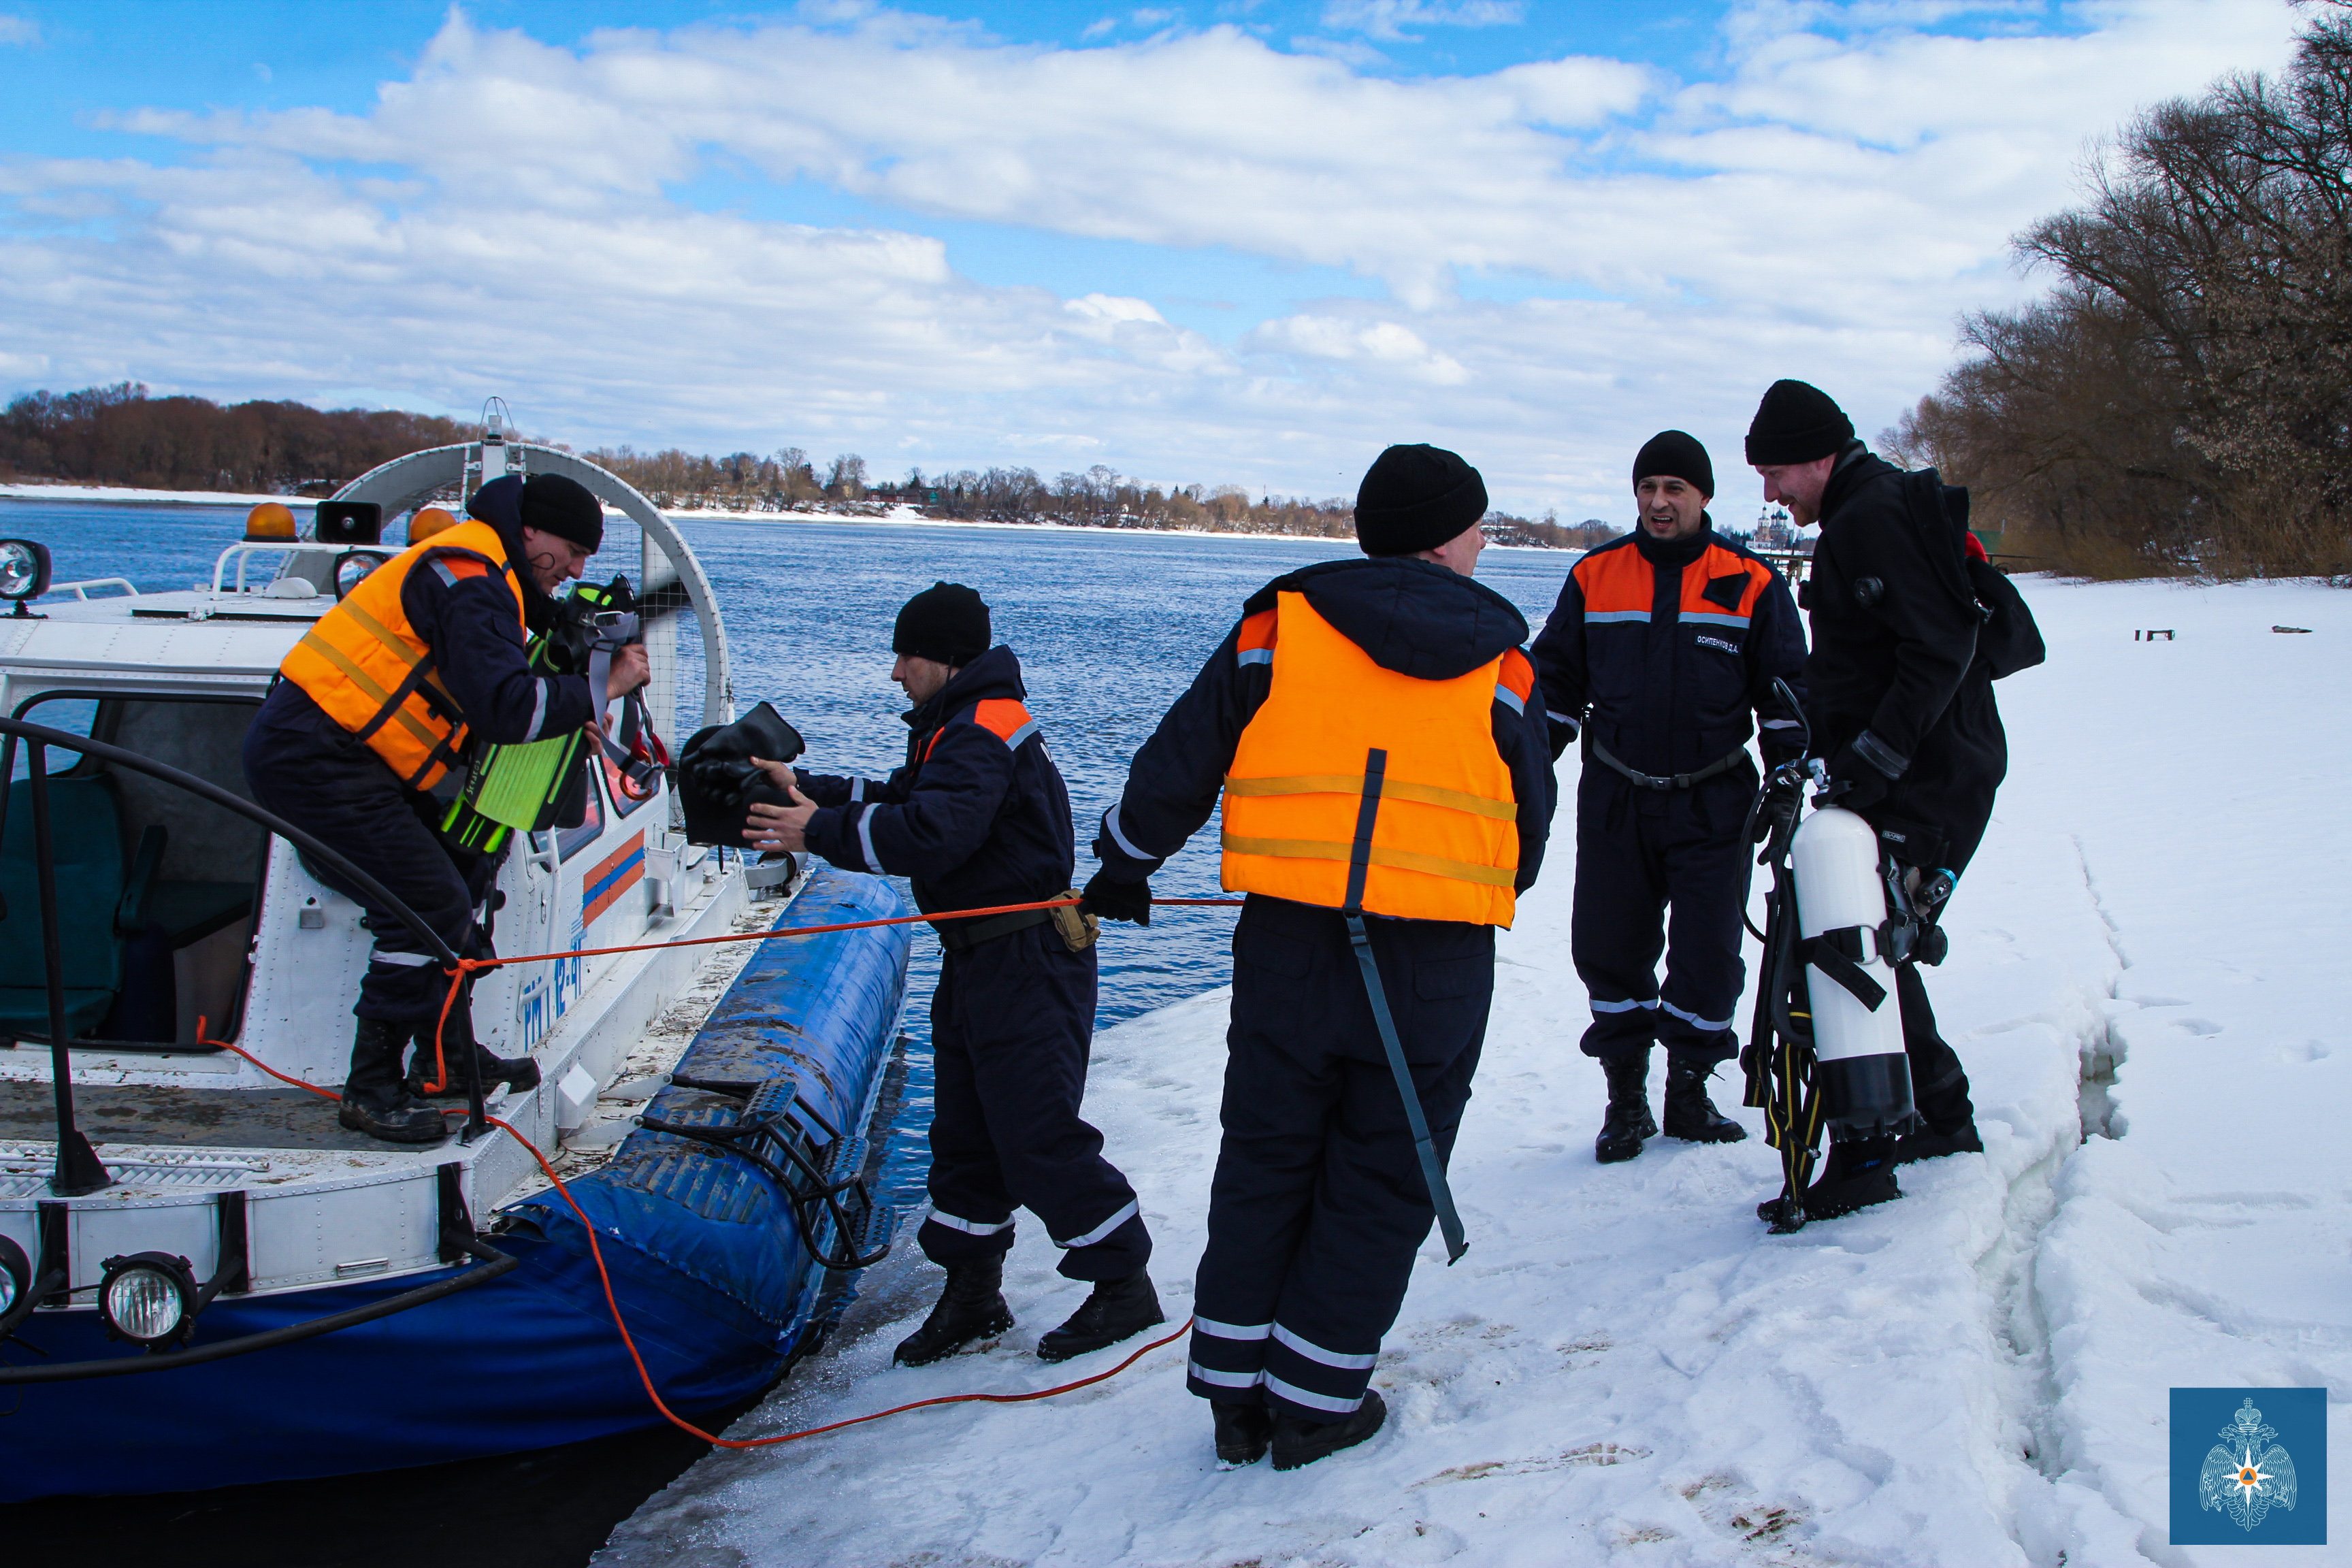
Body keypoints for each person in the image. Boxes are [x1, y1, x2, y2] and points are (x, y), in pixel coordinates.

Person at [1081, 445, 1555, 1472]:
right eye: (1478, 526)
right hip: (1433, 962)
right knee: (1383, 1175)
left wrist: (1123, 862)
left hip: (1290, 945)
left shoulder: (1279, 624)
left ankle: (1236, 1399)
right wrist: (1463, 886)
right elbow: (1529, 822)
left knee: (1267, 1159)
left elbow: (1184, 753)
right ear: (1445, 537)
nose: (1485, 543)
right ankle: (1317, 1404)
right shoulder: (1507, 663)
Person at [741, 583, 1160, 1367]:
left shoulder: (981, 728)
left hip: (1026, 962)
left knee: (1036, 1134)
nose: (896, 672)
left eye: (907, 656)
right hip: (982, 958)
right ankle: (973, 1295)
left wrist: (816, 829)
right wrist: (803, 792)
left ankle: (1124, 1284)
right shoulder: (959, 725)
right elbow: (903, 799)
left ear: (947, 658)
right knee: (966, 1136)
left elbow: (934, 833)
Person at [243, 473, 649, 1143]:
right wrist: (601, 687)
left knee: (463, 874)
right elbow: (507, 709)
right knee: (425, 907)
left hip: (355, 753)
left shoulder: (488, 573)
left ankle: (444, 1058)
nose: (576, 570)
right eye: (573, 551)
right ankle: (371, 1090)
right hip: (313, 754)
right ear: (530, 531)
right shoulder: (469, 578)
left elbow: (497, 667)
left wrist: (565, 658)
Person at [1748, 378, 2003, 1218]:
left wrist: (1874, 759)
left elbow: (1942, 645)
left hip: (1927, 772)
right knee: (1877, 938)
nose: (1771, 493)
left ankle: (1869, 1152)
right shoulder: (1867, 509)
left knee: (1854, 939)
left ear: (1821, 457)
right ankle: (1939, 1116)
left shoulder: (1873, 516)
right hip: (1930, 765)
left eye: (1777, 472)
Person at [1531, 431, 1806, 1164]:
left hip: (1715, 800)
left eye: (1674, 488)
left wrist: (1788, 777)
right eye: (1648, 487)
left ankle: (1689, 1093)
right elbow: (1555, 685)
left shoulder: (1751, 582)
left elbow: (1789, 696)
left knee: (1708, 956)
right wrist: (1527, 760)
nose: (1659, 501)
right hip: (1616, 797)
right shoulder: (1595, 575)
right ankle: (1626, 1101)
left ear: (1703, 497)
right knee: (1608, 947)